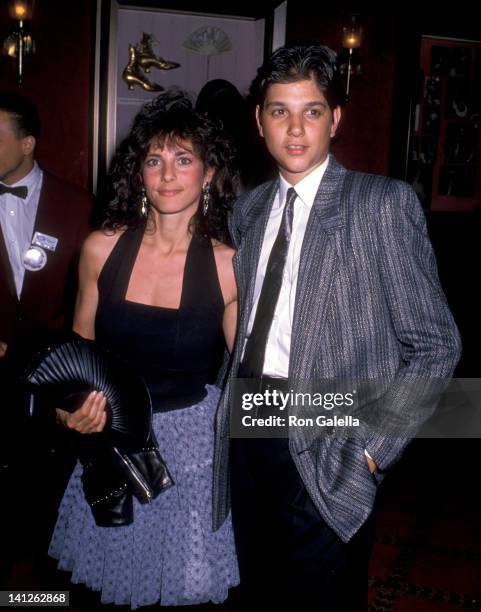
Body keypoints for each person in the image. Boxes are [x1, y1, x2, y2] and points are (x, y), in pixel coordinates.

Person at [212, 45, 461, 610]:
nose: (295, 128)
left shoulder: (382, 204)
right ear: (259, 120)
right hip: (250, 427)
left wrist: (372, 450)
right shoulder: (247, 211)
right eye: (279, 111)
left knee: (323, 596)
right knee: (257, 587)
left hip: (331, 431)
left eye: (313, 110)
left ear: (336, 118)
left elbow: (436, 345)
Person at [48, 90, 240, 609]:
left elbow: (249, 372)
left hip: (192, 454)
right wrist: (73, 411)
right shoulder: (101, 247)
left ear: (208, 173)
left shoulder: (228, 264)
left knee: (184, 594)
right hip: (110, 441)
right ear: (139, 173)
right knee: (102, 594)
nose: (168, 174)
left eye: (183, 159)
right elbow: (77, 353)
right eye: (155, 160)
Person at [0, 91, 92, 578]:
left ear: (29, 142)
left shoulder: (79, 206)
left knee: (47, 524)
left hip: (53, 387)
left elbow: (90, 301)